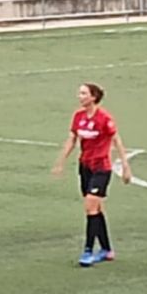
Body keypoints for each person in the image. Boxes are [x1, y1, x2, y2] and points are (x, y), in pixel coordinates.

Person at [51, 83, 133, 268]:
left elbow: (116, 140)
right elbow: (72, 139)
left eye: (83, 93)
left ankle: (88, 250)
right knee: (96, 208)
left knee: (90, 206)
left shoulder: (104, 118)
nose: (79, 96)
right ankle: (107, 249)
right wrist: (60, 162)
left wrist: (125, 167)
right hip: (85, 166)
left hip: (101, 168)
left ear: (94, 97)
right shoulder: (78, 117)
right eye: (79, 93)